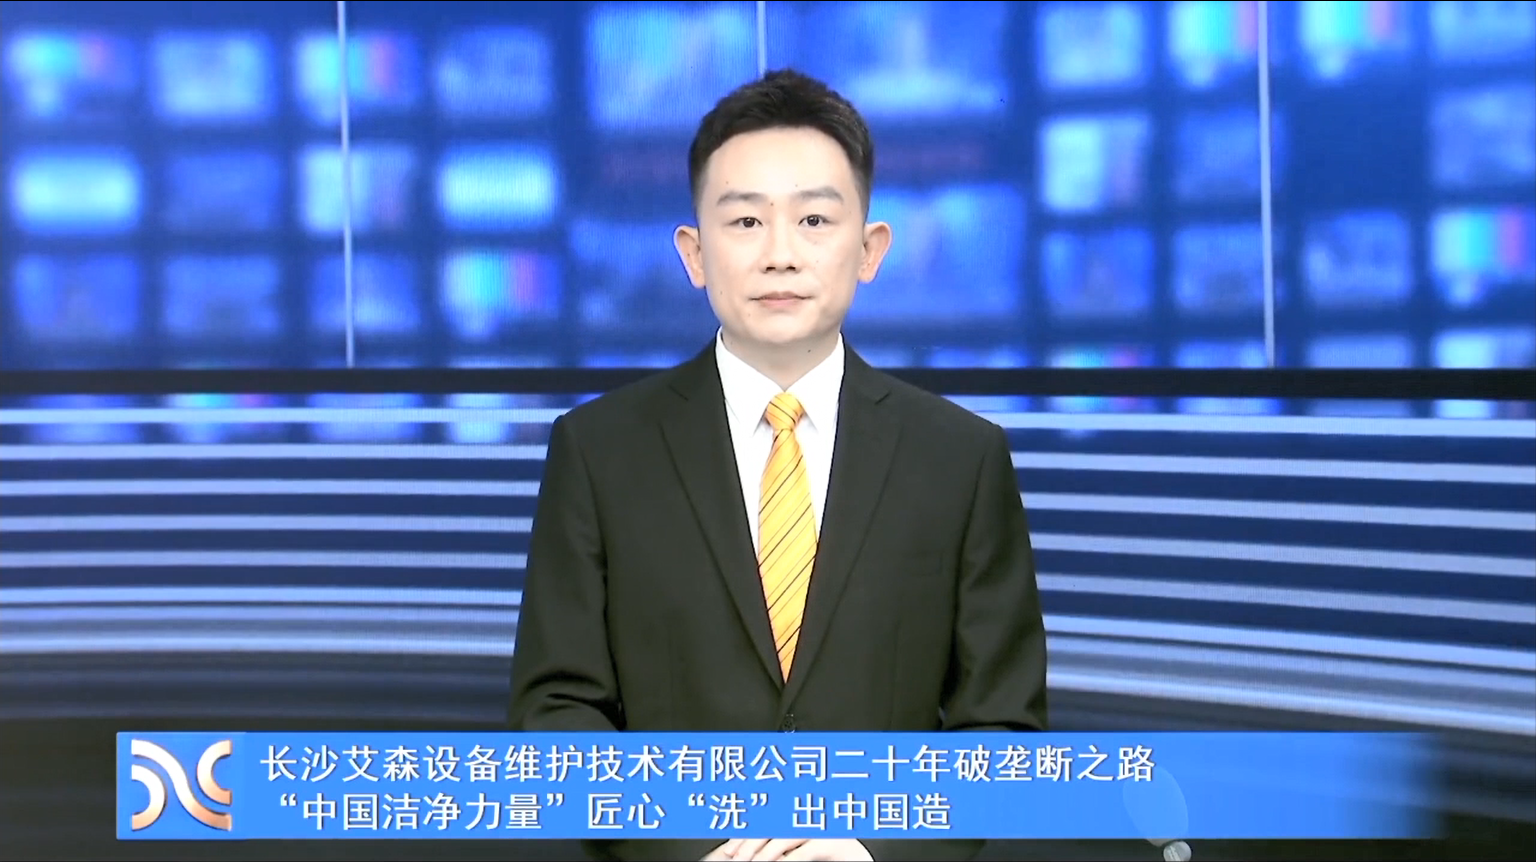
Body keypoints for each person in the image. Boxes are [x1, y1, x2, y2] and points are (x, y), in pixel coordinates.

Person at [509, 69, 1048, 862]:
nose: (781, 255)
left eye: (815, 219)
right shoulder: (598, 451)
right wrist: (698, 842)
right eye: (745, 222)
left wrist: (870, 845)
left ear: (870, 249)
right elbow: (557, 710)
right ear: (694, 253)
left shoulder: (961, 458)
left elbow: (1002, 728)